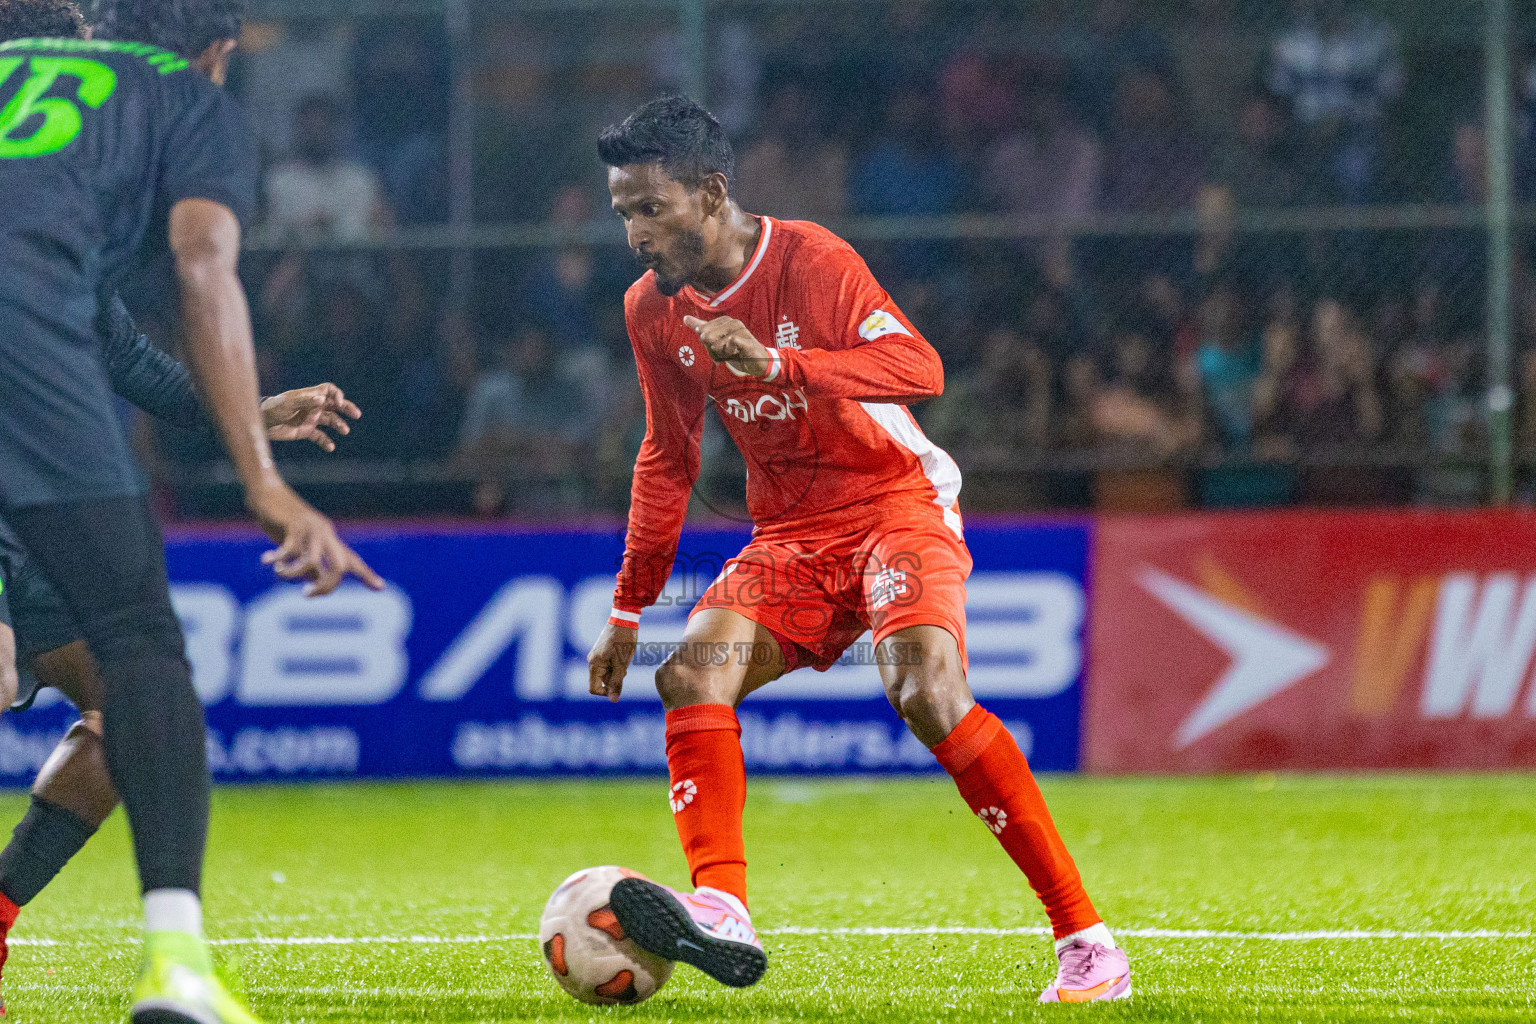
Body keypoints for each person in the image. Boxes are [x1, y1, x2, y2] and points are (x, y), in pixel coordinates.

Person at [586, 96, 1131, 1004]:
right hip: (793, 538)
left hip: (894, 506)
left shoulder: (812, 258)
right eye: (623, 215)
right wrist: (626, 610)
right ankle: (721, 907)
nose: (636, 235)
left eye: (651, 209)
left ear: (711, 193)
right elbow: (666, 458)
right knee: (689, 675)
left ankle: (1086, 942)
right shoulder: (653, 311)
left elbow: (921, 368)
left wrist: (781, 365)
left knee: (925, 690)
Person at [0, 3, 380, 1022]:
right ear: (218, 53)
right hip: (28, 405)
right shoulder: (172, 98)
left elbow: (120, 351)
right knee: (139, 651)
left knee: (124, 714)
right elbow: (204, 268)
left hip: (33, 400)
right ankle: (176, 967)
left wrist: (248, 412)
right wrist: (260, 478)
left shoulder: (44, 146)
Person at [0, 297, 361, 1014]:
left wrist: (253, 412)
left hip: (45, 518)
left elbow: (136, 364)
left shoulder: (65, 237)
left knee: (130, 719)